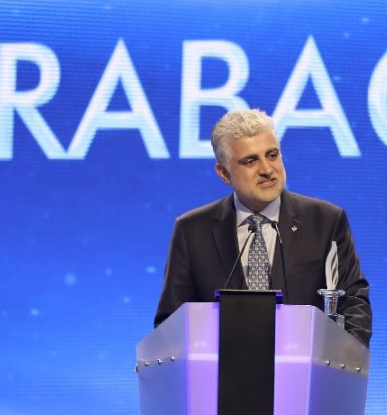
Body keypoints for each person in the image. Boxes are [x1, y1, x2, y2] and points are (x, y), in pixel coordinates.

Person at [154, 109, 372, 346]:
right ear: (224, 173)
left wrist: (343, 359)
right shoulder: (192, 231)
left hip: (306, 367)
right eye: (251, 161)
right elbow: (171, 324)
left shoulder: (325, 221)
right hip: (221, 368)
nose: (267, 170)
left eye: (272, 155)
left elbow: (353, 304)